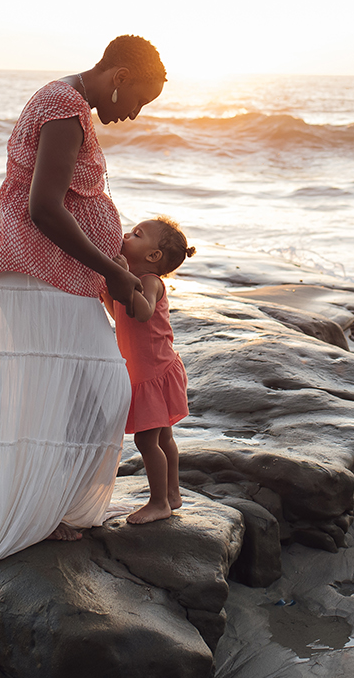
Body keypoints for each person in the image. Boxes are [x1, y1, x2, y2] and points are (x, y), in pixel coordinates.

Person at [0, 36, 166, 579]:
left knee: (68, 395)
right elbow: (44, 208)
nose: (136, 113)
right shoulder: (63, 109)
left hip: (48, 272)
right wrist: (116, 271)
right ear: (119, 75)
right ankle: (43, 512)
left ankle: (51, 509)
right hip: (32, 269)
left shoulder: (71, 107)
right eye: (139, 99)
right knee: (103, 390)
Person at [100, 217, 196, 524]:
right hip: (154, 368)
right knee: (164, 437)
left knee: (147, 441)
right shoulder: (135, 280)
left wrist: (122, 276)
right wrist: (109, 288)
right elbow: (120, 314)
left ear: (153, 256)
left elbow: (142, 313)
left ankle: (158, 503)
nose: (127, 235)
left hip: (153, 373)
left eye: (136, 234)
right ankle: (172, 494)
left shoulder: (151, 282)